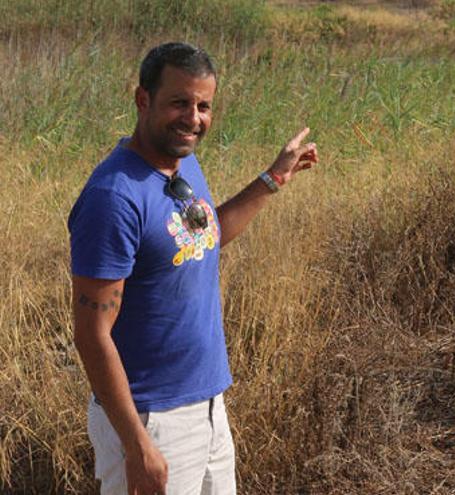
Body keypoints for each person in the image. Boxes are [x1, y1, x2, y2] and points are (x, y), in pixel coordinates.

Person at [68, 42, 318, 494]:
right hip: (150, 418)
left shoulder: (181, 164)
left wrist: (273, 179)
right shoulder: (114, 198)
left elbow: (204, 236)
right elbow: (91, 332)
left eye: (204, 106)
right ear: (143, 99)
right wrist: (137, 444)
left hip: (207, 406)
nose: (194, 118)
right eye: (179, 103)